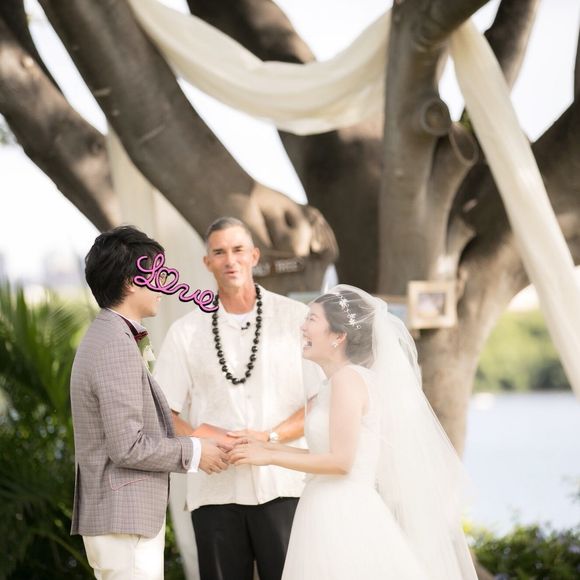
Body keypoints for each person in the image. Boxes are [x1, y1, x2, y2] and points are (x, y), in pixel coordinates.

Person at [230, 285, 478, 580]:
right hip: (325, 505)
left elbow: (341, 462)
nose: (302, 327)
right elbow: (326, 453)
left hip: (344, 513)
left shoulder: (347, 380)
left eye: (312, 319)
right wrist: (265, 447)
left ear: (338, 335)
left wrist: (270, 458)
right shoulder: (335, 383)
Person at [154, 217, 320, 580]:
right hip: (214, 494)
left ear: (254, 256)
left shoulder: (297, 319)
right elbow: (163, 411)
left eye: (238, 250)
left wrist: (269, 438)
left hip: (285, 485)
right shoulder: (185, 332)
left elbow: (322, 401)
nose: (230, 260)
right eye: (219, 252)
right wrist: (199, 445)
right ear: (207, 262)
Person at [70, 226, 229, 580]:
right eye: (157, 273)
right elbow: (128, 447)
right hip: (123, 523)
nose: (163, 285)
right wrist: (196, 452)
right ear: (131, 282)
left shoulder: (113, 335)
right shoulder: (114, 344)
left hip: (122, 521)